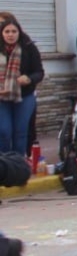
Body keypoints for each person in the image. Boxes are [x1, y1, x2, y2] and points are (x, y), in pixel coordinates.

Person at [0, 19, 44, 155]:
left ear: (19, 32)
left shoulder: (29, 48)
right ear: (1, 33)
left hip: (24, 96)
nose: (10, 35)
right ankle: (5, 163)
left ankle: (18, 163)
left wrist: (29, 79)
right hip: (2, 97)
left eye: (14, 31)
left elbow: (39, 72)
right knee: (4, 131)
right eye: (7, 31)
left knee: (20, 131)